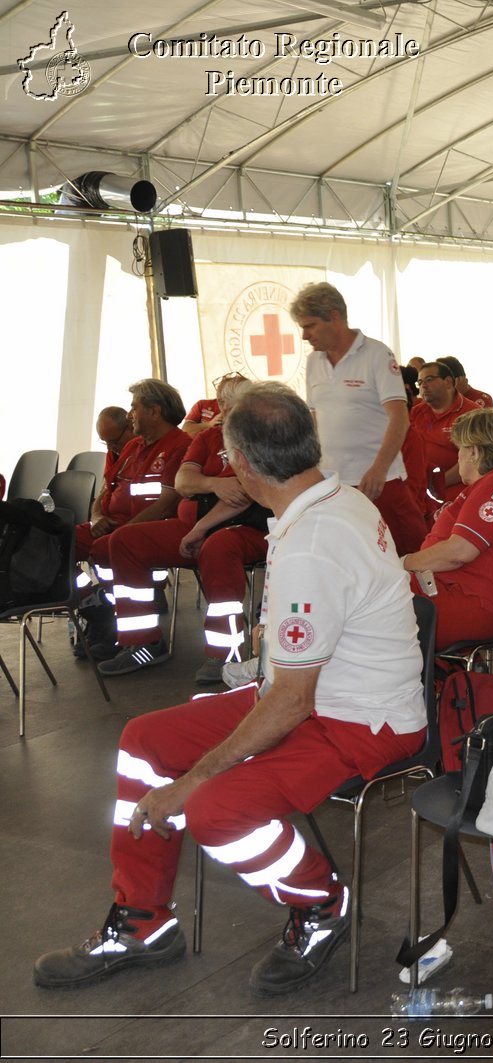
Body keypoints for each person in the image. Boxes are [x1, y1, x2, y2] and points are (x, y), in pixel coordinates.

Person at [34, 382, 426, 995]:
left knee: (215, 808)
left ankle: (320, 905)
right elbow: (294, 684)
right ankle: (143, 920)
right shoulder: (332, 498)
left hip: (361, 717)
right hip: (312, 693)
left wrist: (192, 782)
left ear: (241, 464)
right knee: (144, 741)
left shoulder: (315, 542)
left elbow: (294, 701)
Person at [96, 375, 271, 682]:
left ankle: (226, 653)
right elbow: (182, 482)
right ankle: (143, 643)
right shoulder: (208, 439)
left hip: (247, 528)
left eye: (229, 406)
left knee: (219, 547)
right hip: (194, 525)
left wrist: (199, 528)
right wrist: (215, 483)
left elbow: (241, 497)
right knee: (125, 541)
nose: (222, 413)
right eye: (222, 406)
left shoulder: (259, 439)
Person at [294, 281, 427, 556]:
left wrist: (378, 469)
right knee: (348, 560)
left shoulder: (377, 354)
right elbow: (316, 420)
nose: (305, 335)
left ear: (334, 316)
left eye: (310, 326)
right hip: (333, 484)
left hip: (381, 482)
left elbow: (399, 418)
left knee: (407, 557)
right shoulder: (313, 362)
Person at [401, 409, 493, 647]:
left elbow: (458, 553)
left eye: (460, 450)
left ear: (474, 452)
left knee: (368, 599)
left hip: (471, 600)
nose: (458, 459)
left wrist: (401, 563)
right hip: (455, 591)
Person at [74, 380, 190, 630]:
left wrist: (122, 532)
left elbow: (165, 506)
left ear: (155, 411)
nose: (130, 415)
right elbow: (107, 489)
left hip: (145, 529)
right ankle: (90, 605)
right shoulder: (132, 446)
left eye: (134, 407)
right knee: (61, 541)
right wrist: (95, 517)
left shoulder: (180, 446)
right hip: (111, 525)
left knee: (110, 546)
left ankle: (118, 621)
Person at [404, 360, 476, 516]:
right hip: (421, 491)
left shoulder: (471, 413)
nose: (423, 386)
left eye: (429, 380)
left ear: (448, 382)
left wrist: (437, 483)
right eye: (420, 382)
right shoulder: (416, 412)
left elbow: (473, 459)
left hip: (457, 493)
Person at [95, 406, 137, 484]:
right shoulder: (113, 455)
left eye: (114, 441)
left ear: (131, 428)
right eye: (104, 441)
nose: (109, 448)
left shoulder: (146, 452)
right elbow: (107, 488)